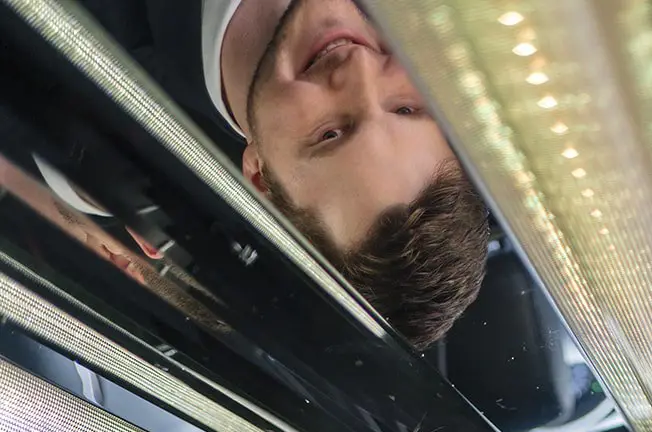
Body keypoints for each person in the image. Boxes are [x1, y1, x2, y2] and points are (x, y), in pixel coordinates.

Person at [73, 0, 490, 348]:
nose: (360, 66)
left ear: (260, 181)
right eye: (404, 109)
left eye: (331, 133)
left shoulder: (99, 71)